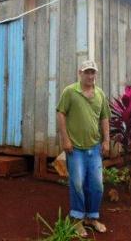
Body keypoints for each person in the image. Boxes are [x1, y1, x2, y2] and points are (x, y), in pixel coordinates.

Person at [56, 60, 110, 237]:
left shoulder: (100, 94)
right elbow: (61, 113)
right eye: (87, 72)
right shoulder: (70, 92)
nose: (90, 76)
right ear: (80, 73)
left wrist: (107, 141)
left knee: (97, 186)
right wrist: (65, 139)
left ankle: (92, 217)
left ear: (96, 74)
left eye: (93, 72)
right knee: (77, 184)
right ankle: (77, 220)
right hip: (75, 149)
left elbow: (104, 118)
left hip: (94, 148)